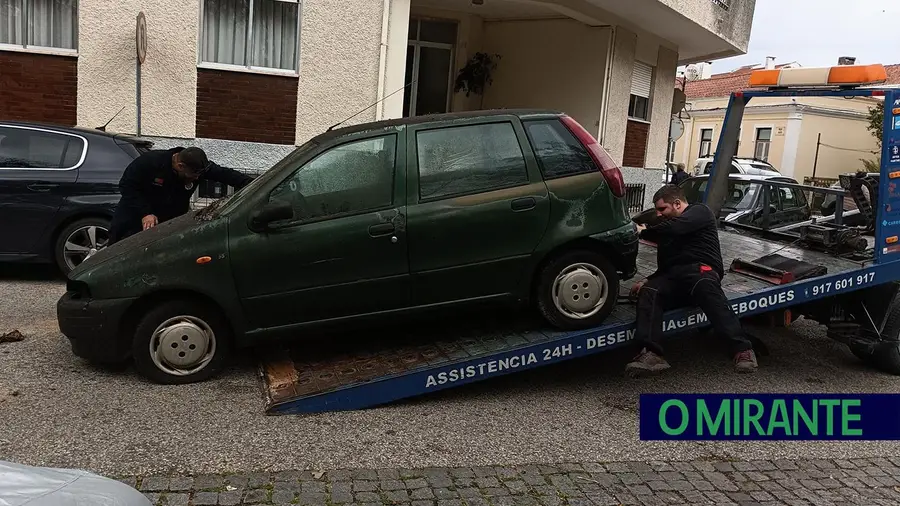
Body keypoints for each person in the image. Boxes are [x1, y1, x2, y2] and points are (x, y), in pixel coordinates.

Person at [626, 184, 757, 376]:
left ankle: (742, 350)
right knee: (651, 291)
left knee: (705, 286)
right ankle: (652, 354)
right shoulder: (668, 232)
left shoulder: (700, 212)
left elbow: (676, 228)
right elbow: (665, 266)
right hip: (674, 276)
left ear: (678, 203)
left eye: (662, 209)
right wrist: (647, 280)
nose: (659, 214)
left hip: (700, 270)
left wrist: (643, 231)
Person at [108, 146, 253, 244]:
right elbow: (127, 186)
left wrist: (258, 184)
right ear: (180, 166)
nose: (196, 179)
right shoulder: (150, 163)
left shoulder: (197, 167)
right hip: (133, 219)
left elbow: (228, 175)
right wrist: (145, 213)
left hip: (168, 224)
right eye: (193, 175)